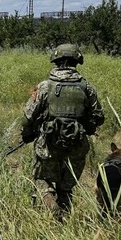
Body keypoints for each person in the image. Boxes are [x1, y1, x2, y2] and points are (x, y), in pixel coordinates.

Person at [21, 44, 104, 219]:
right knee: (66, 187)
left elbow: (27, 116)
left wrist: (27, 134)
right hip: (76, 144)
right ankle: (63, 221)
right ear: (77, 62)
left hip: (48, 145)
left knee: (43, 180)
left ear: (56, 61)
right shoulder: (86, 87)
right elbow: (99, 117)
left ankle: (52, 207)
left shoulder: (45, 86)